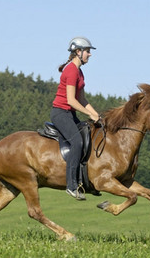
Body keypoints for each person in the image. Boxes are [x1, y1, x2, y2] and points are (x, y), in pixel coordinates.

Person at [50, 37, 100, 200]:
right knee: (77, 142)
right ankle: (71, 185)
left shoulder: (79, 71)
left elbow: (82, 99)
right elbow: (71, 100)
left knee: (89, 137)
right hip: (60, 113)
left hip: (70, 114)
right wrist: (89, 114)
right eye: (87, 51)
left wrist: (96, 114)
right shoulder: (71, 70)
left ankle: (86, 182)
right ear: (78, 52)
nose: (90, 55)